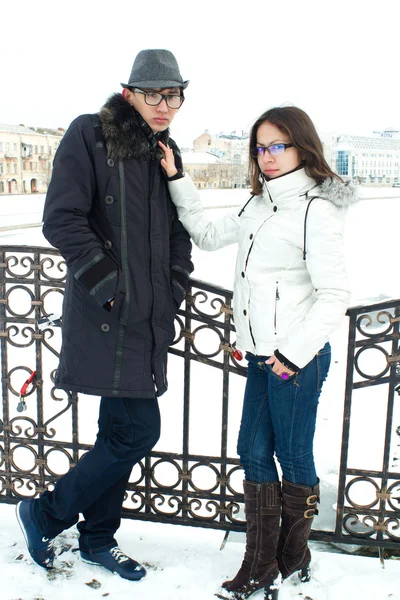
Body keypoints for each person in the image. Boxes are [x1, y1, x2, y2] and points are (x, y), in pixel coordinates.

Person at [159, 106, 357, 599]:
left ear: (302, 147)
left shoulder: (316, 209)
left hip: (297, 359)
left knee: (291, 453)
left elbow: (334, 296)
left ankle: (278, 559)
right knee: (252, 450)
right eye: (261, 147)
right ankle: (275, 557)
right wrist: (178, 178)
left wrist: (291, 354)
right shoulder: (257, 205)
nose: (267, 157)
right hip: (259, 355)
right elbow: (206, 236)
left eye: (279, 146)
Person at [16, 49, 193, 581]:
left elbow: (178, 230)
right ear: (129, 92)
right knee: (136, 434)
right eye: (154, 94)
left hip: (148, 319)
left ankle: (97, 537)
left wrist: (175, 285)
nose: (166, 106)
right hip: (107, 315)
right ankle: (45, 512)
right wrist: (112, 289)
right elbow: (62, 219)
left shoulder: (166, 150)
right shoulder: (89, 134)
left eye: (175, 95)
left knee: (118, 434)